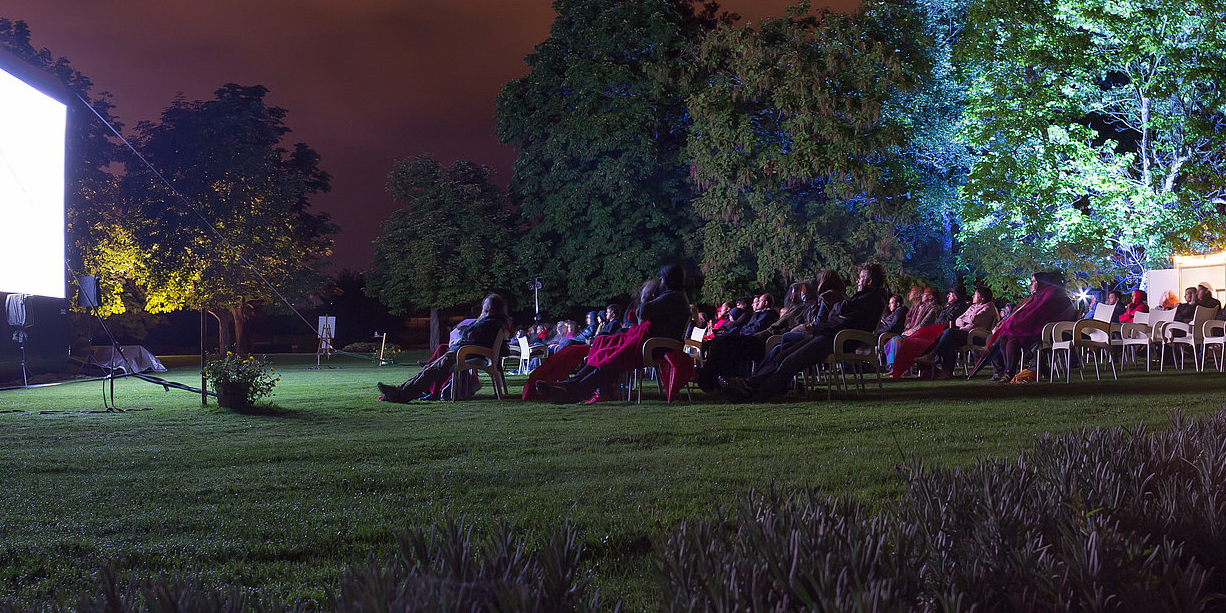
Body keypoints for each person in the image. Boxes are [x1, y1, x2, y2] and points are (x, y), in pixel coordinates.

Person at [721, 264, 889, 403]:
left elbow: (840, 311)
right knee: (782, 353)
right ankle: (750, 385)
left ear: (870, 280)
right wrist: (836, 310)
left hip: (838, 340)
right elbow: (835, 314)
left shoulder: (872, 298)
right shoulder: (864, 297)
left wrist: (836, 306)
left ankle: (755, 393)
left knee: (790, 361)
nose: (858, 281)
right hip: (828, 335)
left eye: (861, 278)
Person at [537, 266, 694, 404]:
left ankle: (571, 391)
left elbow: (643, 313)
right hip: (653, 342)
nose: (660, 282)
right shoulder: (675, 296)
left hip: (657, 345)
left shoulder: (672, 296)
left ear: (668, 279)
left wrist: (646, 296)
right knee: (604, 344)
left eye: (662, 278)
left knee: (613, 357)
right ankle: (569, 384)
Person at [378, 294, 511, 402]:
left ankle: (402, 394)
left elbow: (472, 336)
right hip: (467, 352)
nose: (483, 308)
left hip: (469, 354)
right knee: (431, 367)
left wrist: (469, 329)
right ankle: (399, 391)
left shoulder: (491, 322)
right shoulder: (493, 321)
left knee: (433, 368)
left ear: (490, 307)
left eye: (485, 306)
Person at [977, 270, 1079, 381]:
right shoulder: (1034, 297)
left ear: (1042, 283)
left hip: (1050, 332)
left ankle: (1010, 373)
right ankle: (1008, 372)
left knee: (1012, 339)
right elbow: (1018, 313)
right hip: (1033, 330)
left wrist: (1013, 325)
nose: (1030, 284)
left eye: (1034, 281)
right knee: (1005, 337)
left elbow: (1035, 316)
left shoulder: (1051, 295)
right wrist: (1005, 324)